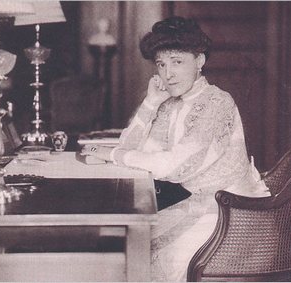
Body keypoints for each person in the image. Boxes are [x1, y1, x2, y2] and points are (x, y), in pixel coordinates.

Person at [80, 16, 270, 281]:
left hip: (227, 215)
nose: (167, 74)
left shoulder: (217, 102)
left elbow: (176, 165)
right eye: (161, 64)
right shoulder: (171, 103)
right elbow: (132, 148)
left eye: (177, 62)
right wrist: (150, 103)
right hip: (193, 205)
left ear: (200, 61)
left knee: (137, 257)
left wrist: (112, 154)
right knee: (121, 246)